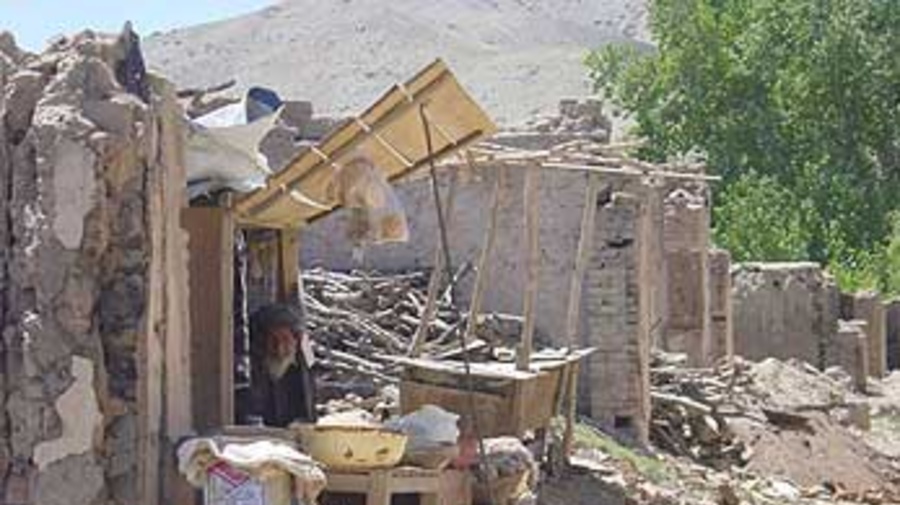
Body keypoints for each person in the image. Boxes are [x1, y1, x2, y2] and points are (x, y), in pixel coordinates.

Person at [248, 303, 317, 427]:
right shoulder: (247, 373)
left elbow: (310, 413)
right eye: (273, 340)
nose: (279, 350)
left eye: (285, 339)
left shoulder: (304, 367)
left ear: (296, 341)